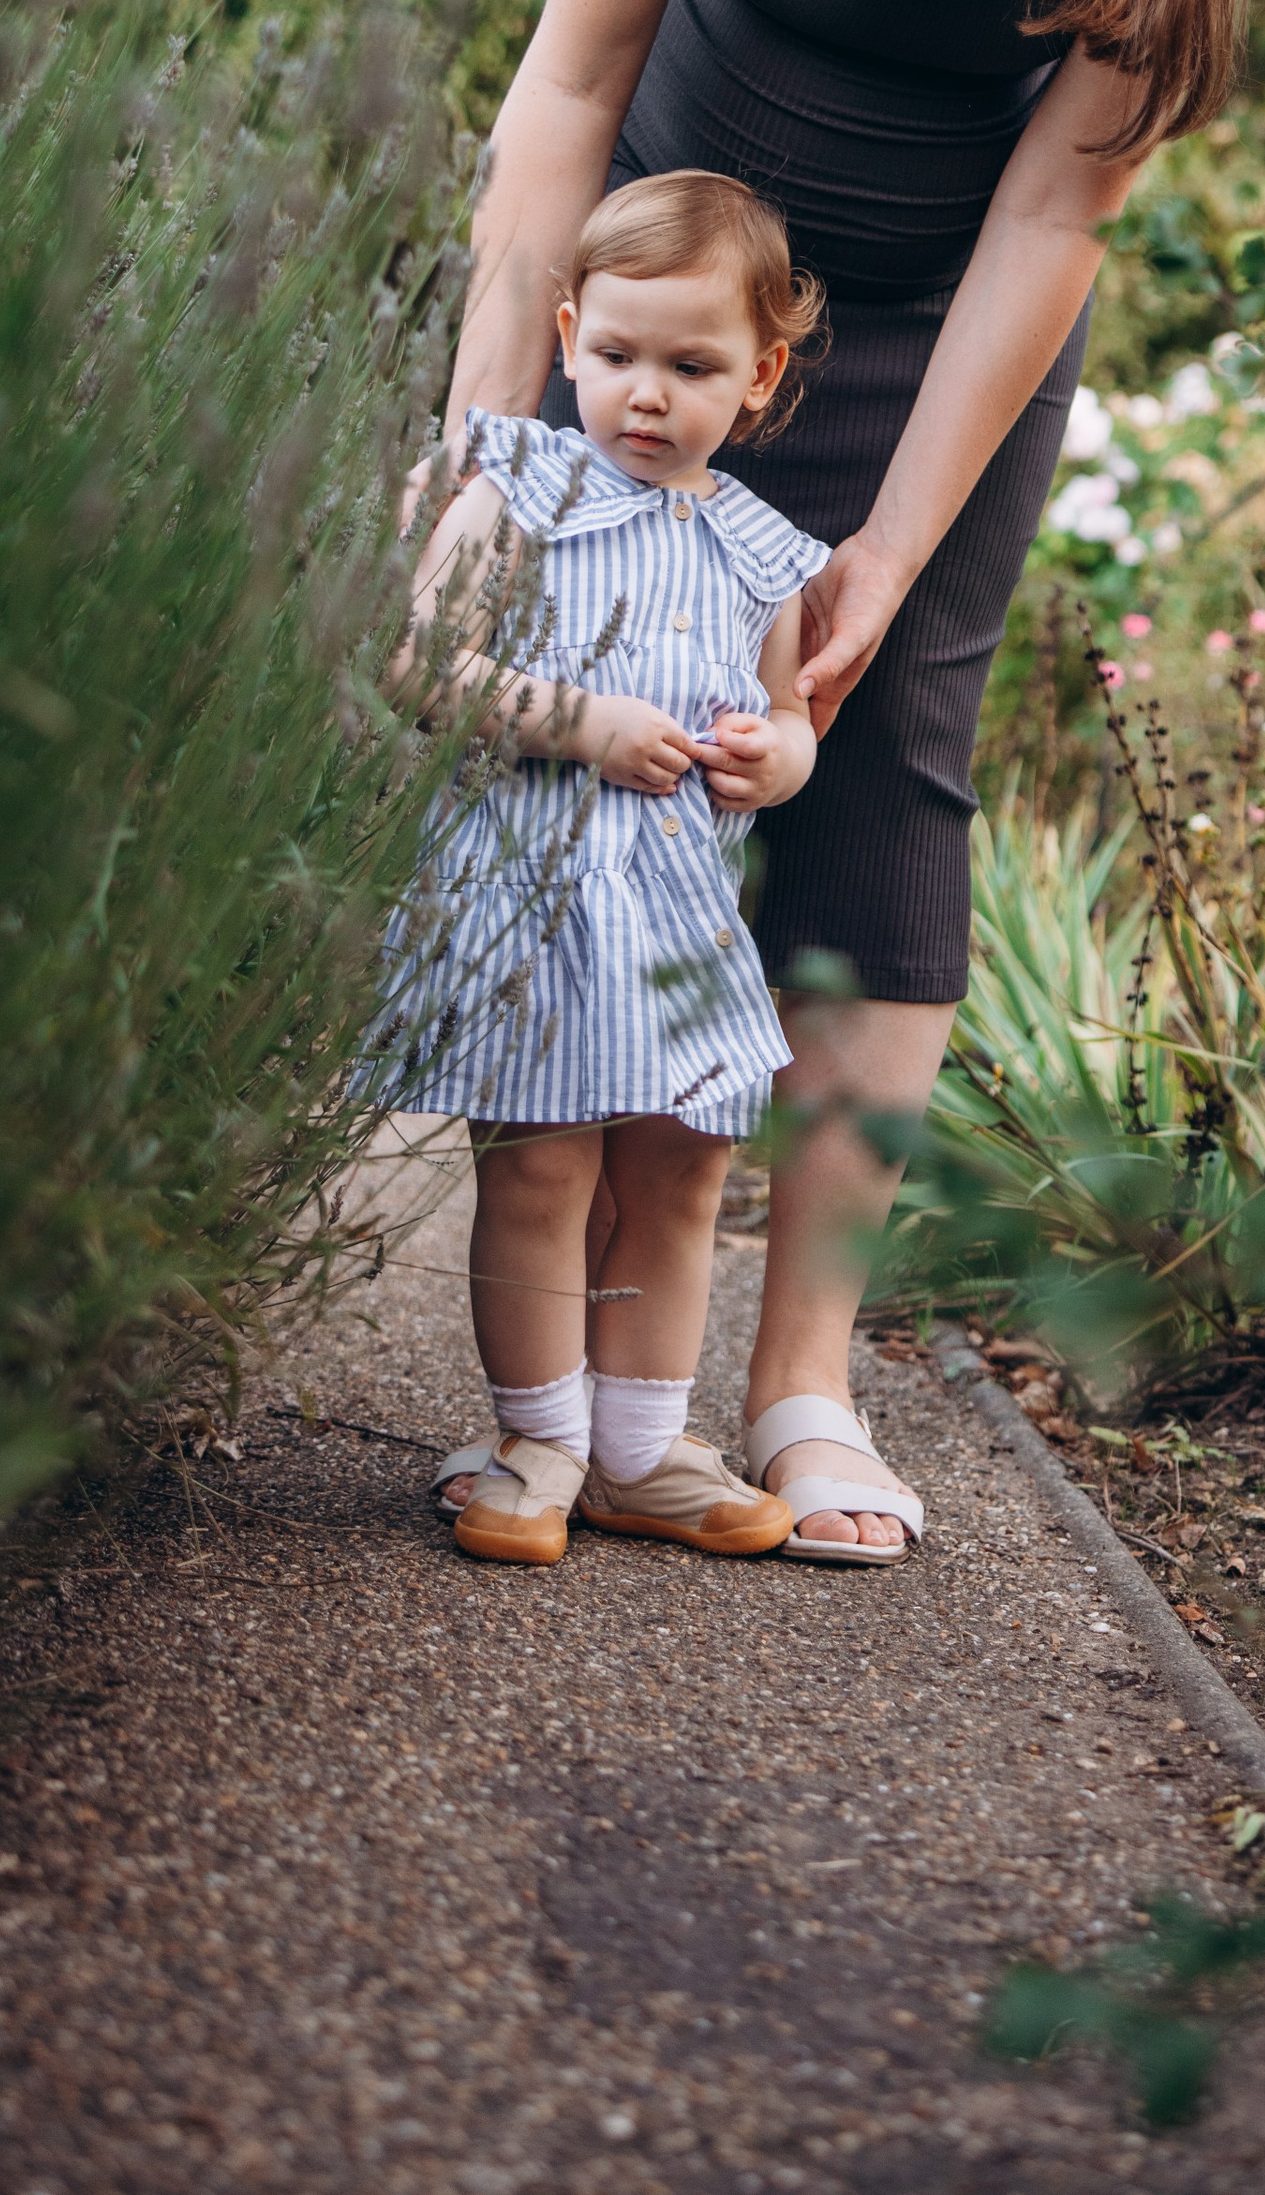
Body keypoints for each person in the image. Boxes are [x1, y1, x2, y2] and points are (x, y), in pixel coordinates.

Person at [430, 0, 1265, 1559]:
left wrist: (887, 549)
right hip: (663, 289)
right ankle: (552, 1387)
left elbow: (1059, 207)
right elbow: (565, 77)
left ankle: (799, 1385)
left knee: (877, 754)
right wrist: (482, 443)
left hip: (935, 323)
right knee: (559, 744)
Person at [383, 171, 828, 1568]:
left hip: (680, 919)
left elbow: (793, 711)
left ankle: (639, 1448)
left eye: (691, 366)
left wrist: (778, 757)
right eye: (618, 354)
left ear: (755, 379)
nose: (646, 393)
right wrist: (579, 721)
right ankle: (539, 1440)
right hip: (532, 897)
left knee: (685, 1164)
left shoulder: (759, 549)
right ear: (570, 333)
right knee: (541, 1166)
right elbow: (417, 663)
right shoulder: (516, 489)